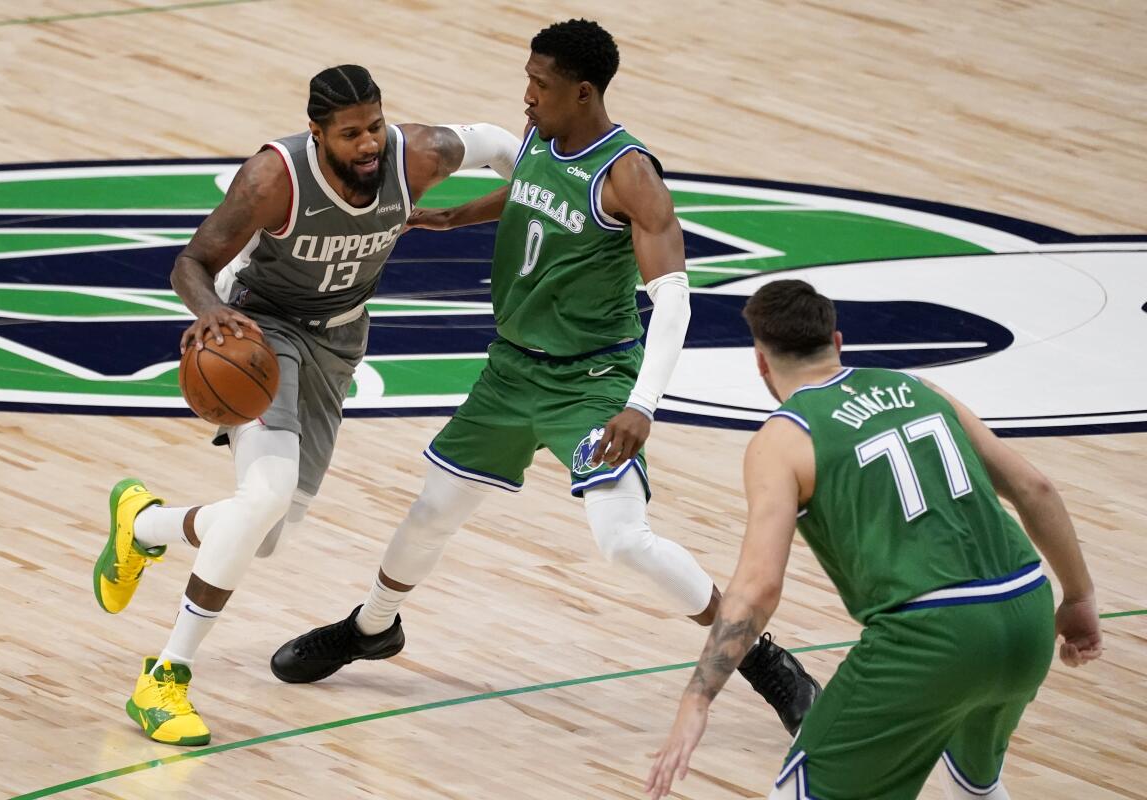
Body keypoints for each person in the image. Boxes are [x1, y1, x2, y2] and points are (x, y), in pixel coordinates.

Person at [270, 20, 821, 734]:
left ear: (584, 92)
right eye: (527, 80)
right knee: (432, 510)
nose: (525, 97)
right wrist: (454, 218)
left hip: (591, 385)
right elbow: (530, 191)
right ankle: (372, 628)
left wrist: (641, 405)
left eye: (541, 85)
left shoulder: (629, 175)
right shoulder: (541, 139)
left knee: (622, 539)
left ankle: (760, 655)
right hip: (512, 373)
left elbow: (677, 302)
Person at [91, 64, 524, 746]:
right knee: (264, 495)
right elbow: (192, 263)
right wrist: (208, 315)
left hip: (341, 339)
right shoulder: (274, 178)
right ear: (317, 133)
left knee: (261, 534)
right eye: (350, 134)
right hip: (260, 334)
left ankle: (145, 525)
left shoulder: (421, 156)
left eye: (375, 126)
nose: (367, 144)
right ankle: (164, 679)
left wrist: (496, 200)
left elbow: (504, 145)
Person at [646, 279, 1104, 799]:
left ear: (761, 364)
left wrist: (698, 699)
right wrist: (1081, 596)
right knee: (974, 784)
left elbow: (757, 587)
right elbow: (1033, 487)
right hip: (1025, 611)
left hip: (931, 635)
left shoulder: (783, 439)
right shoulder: (918, 389)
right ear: (837, 343)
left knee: (800, 792)